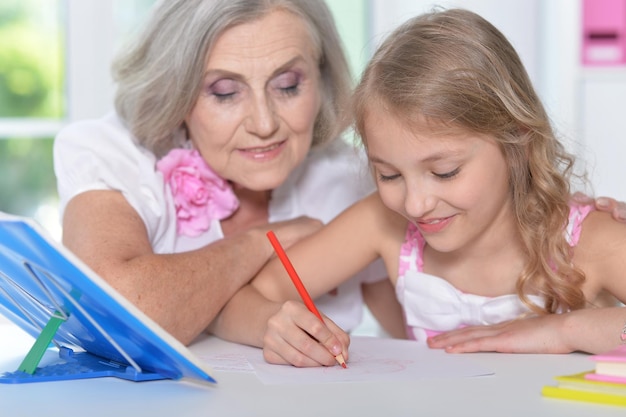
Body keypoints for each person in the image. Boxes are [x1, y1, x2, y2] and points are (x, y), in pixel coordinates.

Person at [218, 8, 626, 367]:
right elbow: (238, 300)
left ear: (515, 141)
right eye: (389, 175)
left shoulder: (589, 241)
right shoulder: (383, 223)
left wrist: (564, 332)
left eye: (445, 172)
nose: (415, 204)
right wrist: (271, 326)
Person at [53, 0, 407, 347]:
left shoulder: (349, 176)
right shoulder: (112, 154)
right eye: (224, 92)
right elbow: (108, 315)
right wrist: (258, 244)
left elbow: (416, 333)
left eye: (287, 85)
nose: (264, 124)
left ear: (323, 78)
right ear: (175, 93)